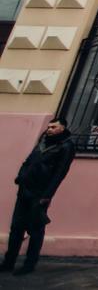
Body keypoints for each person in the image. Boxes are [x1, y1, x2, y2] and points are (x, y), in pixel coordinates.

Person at [2, 116, 75, 275]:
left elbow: (59, 173)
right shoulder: (43, 140)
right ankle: (8, 262)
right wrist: (21, 176)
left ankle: (29, 265)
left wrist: (47, 195)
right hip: (25, 189)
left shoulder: (66, 146)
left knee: (35, 230)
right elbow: (29, 160)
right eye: (49, 127)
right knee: (16, 228)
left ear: (62, 128)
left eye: (54, 127)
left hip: (40, 193)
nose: (49, 129)